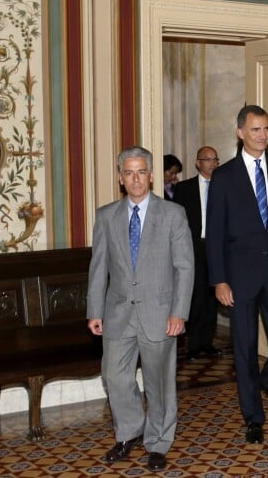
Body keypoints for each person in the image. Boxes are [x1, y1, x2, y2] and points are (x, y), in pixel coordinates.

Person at [205, 105, 268, 445]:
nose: (262, 135)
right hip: (239, 277)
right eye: (255, 130)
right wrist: (219, 279)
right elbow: (215, 232)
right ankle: (253, 417)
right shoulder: (223, 177)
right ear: (240, 133)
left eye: (265, 129)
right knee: (245, 348)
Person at [87, 146, 194, 472]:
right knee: (115, 377)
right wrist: (95, 310)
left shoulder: (172, 214)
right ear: (121, 178)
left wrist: (179, 312)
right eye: (129, 173)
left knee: (159, 382)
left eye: (141, 172)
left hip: (160, 314)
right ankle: (129, 432)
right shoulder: (106, 215)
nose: (136, 179)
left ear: (151, 176)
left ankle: (159, 442)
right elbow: (98, 266)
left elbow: (185, 268)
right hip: (118, 313)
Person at [173, 146, 223, 360]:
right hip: (192, 248)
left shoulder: (225, 187)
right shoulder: (183, 188)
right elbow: (175, 221)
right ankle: (194, 345)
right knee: (195, 296)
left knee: (213, 296)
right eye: (207, 159)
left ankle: (207, 342)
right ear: (197, 162)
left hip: (217, 248)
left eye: (215, 159)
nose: (212, 163)